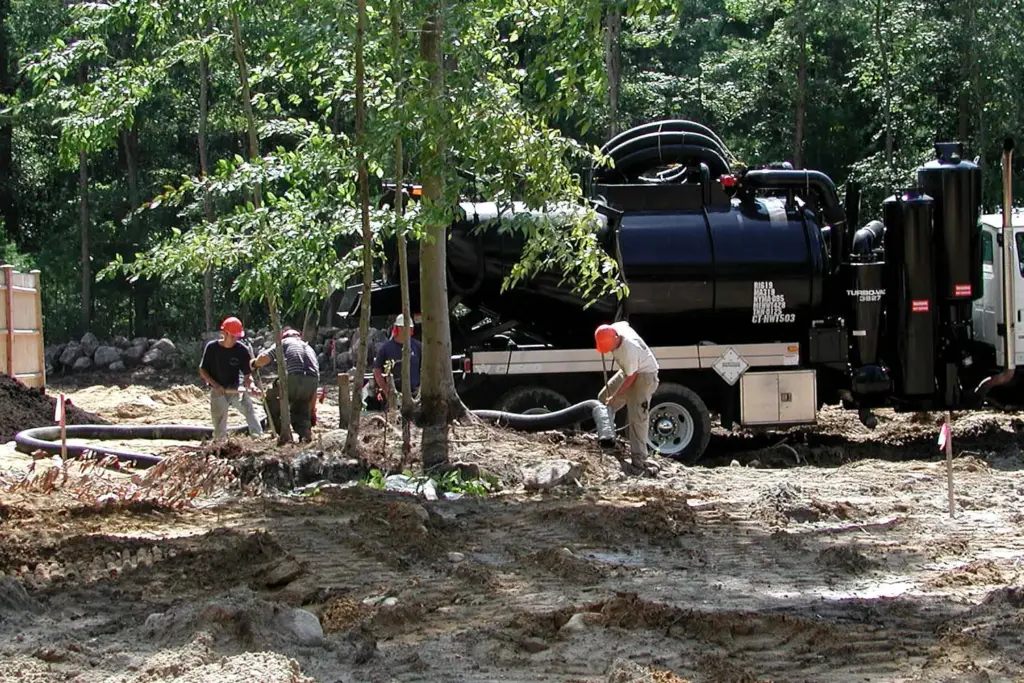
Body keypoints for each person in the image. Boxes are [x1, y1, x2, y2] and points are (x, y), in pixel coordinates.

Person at [595, 320, 660, 468]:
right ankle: (608, 441)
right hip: (629, 371)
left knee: (637, 417)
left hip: (644, 376)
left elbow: (632, 377)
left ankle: (639, 459)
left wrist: (615, 396)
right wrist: (611, 397)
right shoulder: (615, 329)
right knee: (603, 400)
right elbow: (624, 322)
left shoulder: (628, 350)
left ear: (616, 339)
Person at [199, 316, 264, 440]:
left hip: (236, 388)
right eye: (232, 336)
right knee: (219, 422)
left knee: (249, 410)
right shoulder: (212, 348)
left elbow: (247, 374)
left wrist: (251, 386)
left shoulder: (241, 350)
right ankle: (220, 445)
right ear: (224, 333)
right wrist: (216, 385)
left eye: (237, 337)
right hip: (218, 389)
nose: (235, 339)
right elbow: (202, 370)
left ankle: (258, 438)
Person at [251, 327, 320, 442]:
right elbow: (315, 388)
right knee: (301, 408)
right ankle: (305, 435)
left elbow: (264, 358)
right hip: (312, 381)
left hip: (292, 377)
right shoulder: (309, 348)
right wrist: (312, 409)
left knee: (272, 401)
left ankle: (281, 434)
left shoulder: (285, 342)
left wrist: (254, 363)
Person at [372, 314, 422, 408]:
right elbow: (377, 370)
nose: (406, 330)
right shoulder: (386, 349)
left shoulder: (418, 347)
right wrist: (387, 392)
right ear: (397, 329)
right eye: (403, 328)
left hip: (415, 394)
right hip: (394, 393)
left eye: (409, 328)